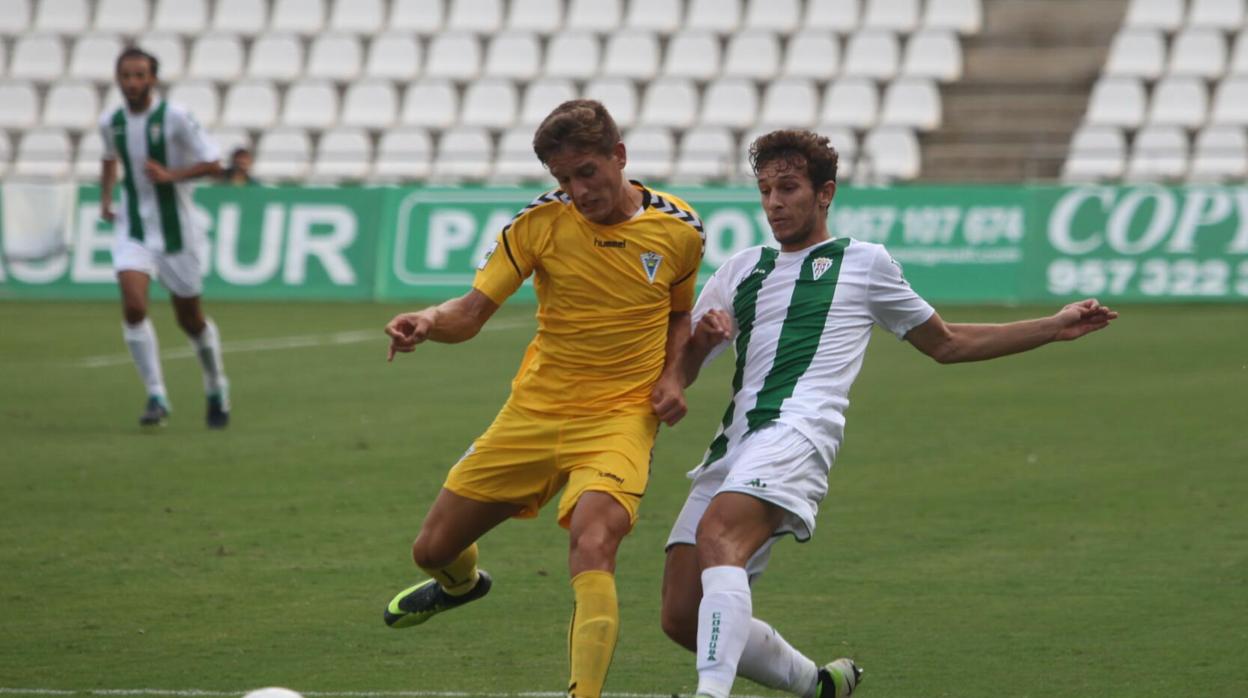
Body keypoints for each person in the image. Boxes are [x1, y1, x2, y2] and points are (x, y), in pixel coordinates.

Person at [659, 129, 1117, 698]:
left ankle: (711, 694)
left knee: (720, 533)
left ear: (824, 193)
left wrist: (1053, 326)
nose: (774, 202)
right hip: (736, 444)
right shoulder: (741, 269)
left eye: (789, 188)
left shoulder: (863, 263)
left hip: (799, 433)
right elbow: (681, 366)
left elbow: (946, 342)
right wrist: (699, 344)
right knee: (682, 614)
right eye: (765, 190)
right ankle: (819, 685)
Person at [381, 99, 705, 698]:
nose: (578, 191)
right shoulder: (537, 224)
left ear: (620, 157)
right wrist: (428, 320)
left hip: (619, 417)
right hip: (535, 412)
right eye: (563, 179)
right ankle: (462, 584)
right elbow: (472, 313)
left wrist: (673, 378)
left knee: (593, 538)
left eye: (587, 172)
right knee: (432, 549)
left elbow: (678, 315)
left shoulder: (680, 228)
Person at [99, 47, 229, 428]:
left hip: (178, 232)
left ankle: (216, 384)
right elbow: (110, 157)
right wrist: (107, 198)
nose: (133, 82)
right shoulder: (111, 121)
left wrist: (172, 175)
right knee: (134, 304)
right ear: (118, 79)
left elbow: (214, 162)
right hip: (134, 227)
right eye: (126, 75)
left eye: (140, 75)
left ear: (153, 79)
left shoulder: (176, 118)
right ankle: (156, 394)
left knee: (190, 320)